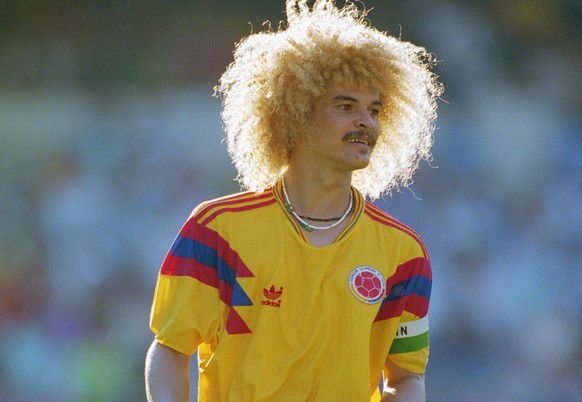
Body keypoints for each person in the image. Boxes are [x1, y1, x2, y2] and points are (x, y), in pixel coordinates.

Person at [145, 0, 442, 401]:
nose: (366, 123)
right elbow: (169, 350)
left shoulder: (404, 254)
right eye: (345, 106)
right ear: (295, 113)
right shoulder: (218, 230)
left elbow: (405, 377)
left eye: (374, 110)